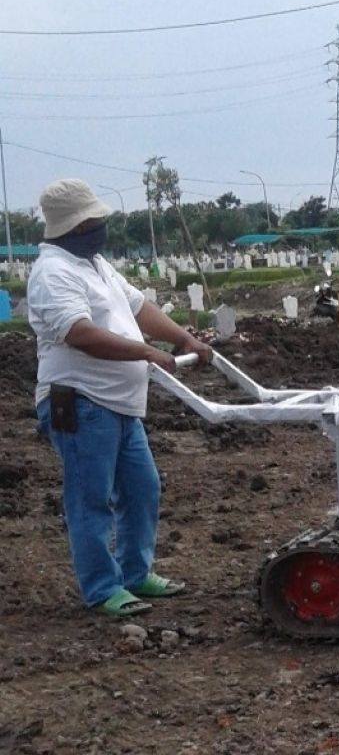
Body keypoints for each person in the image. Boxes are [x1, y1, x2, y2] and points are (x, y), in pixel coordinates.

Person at [27, 178, 213, 618]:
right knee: (91, 498)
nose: (101, 229)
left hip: (120, 403)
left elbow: (138, 308)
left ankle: (135, 572)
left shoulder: (94, 263)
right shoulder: (53, 273)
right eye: (94, 222)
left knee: (141, 487)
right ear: (74, 226)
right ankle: (102, 587)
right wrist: (148, 352)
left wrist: (185, 338)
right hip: (82, 403)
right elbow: (80, 333)